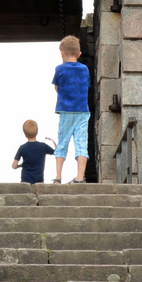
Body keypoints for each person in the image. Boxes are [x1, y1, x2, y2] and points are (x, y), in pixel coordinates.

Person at [51, 35, 90, 184]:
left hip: (66, 110)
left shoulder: (59, 69)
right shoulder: (85, 69)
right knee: (81, 143)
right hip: (82, 111)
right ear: (79, 54)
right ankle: (80, 176)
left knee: (63, 142)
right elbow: (85, 87)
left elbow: (57, 87)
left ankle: (58, 177)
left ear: (62, 53)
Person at [13, 119, 52, 185]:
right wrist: (53, 141)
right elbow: (57, 152)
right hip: (39, 180)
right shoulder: (43, 146)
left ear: (25, 133)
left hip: (25, 180)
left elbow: (14, 166)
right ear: (37, 131)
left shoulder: (22, 147)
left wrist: (20, 165)